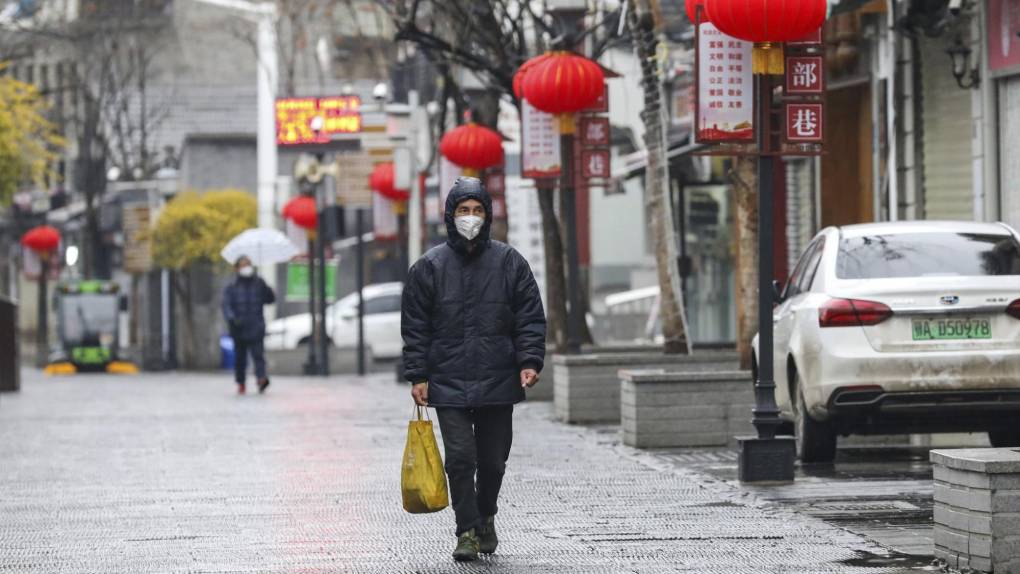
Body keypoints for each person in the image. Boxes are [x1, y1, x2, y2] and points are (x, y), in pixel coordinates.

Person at [401, 177, 546, 562]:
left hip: (498, 376)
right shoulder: (429, 267)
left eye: (477, 210)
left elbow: (529, 317)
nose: (470, 218)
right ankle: (466, 529)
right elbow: (415, 327)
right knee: (461, 459)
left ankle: (487, 516)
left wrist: (529, 361)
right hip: (447, 381)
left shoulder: (509, 262)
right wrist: (418, 374)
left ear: (488, 214)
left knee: (493, 460)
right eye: (463, 211)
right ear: (450, 216)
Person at [222, 256, 276, 395]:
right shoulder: (231, 286)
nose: (247, 268)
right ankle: (241, 382)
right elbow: (226, 306)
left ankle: (261, 379)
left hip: (256, 325)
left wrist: (268, 289)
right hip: (238, 328)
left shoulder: (259, 282)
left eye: (248, 264)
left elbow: (270, 299)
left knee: (258, 355)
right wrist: (233, 319)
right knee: (240, 358)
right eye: (243, 265)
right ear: (237, 268)